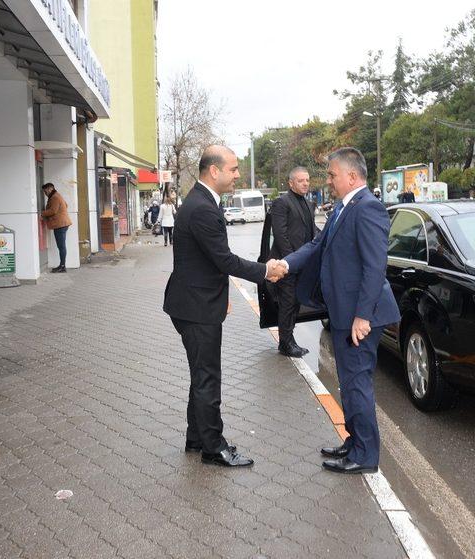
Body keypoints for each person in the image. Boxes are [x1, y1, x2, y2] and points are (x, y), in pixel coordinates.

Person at [163, 145, 287, 468]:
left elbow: (204, 261)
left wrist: (222, 294)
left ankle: (196, 437)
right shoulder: (203, 208)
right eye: (233, 169)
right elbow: (224, 259)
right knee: (207, 379)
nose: (237, 175)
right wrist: (265, 271)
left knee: (199, 375)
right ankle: (213, 447)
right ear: (214, 171)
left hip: (194, 301)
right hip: (196, 308)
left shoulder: (201, 201)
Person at [281, 147, 399, 474]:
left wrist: (363, 315)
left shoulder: (369, 208)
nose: (328, 180)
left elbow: (375, 267)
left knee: (357, 383)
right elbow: (316, 247)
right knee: (348, 382)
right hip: (343, 313)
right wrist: (284, 264)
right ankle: (355, 441)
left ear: (351, 176)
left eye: (332, 175)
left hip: (360, 317)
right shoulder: (343, 208)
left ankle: (365, 456)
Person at [269, 167, 317, 358]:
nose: (305, 183)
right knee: (288, 304)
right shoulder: (282, 202)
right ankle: (285, 344)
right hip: (286, 265)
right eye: (300, 180)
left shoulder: (307, 202)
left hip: (302, 264)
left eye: (307, 180)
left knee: (295, 304)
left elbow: (312, 231)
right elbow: (280, 235)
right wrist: (291, 263)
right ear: (291, 183)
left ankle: (290, 340)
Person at [41, 182, 72, 273]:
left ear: (50, 189)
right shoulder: (57, 196)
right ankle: (62, 265)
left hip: (60, 225)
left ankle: (62, 267)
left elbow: (53, 211)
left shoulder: (54, 197)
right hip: (62, 224)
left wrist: (42, 213)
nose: (45, 193)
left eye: (45, 191)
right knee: (61, 246)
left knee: (61, 246)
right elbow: (66, 205)